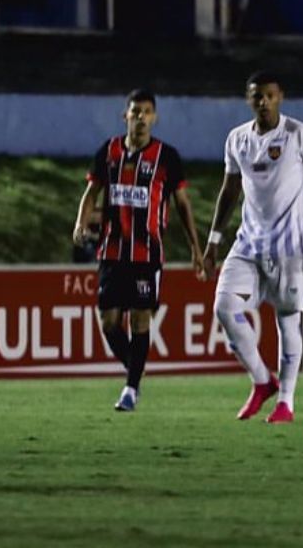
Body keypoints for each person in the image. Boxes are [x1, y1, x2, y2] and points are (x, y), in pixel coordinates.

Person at [202, 72, 303, 424]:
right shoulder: (237, 139)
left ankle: (286, 402)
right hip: (248, 246)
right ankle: (262, 381)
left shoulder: (299, 134)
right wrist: (213, 241)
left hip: (291, 250)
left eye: (269, 95)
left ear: (280, 97)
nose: (263, 101)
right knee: (224, 308)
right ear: (248, 99)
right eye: (257, 96)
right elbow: (229, 190)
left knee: (287, 323)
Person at [72, 89, 204, 412]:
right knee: (109, 322)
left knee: (140, 319)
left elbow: (182, 204)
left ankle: (130, 389)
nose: (141, 117)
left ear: (154, 117)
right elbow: (92, 191)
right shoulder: (109, 151)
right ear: (125, 116)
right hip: (112, 250)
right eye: (135, 112)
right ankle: (136, 369)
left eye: (146, 112)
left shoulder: (167, 157)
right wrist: (80, 223)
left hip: (147, 253)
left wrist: (195, 247)